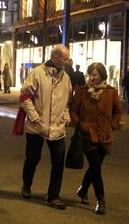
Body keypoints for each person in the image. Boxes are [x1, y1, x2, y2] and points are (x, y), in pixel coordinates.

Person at [20, 45, 72, 210]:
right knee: (32, 158)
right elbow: (25, 96)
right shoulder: (37, 73)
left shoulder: (65, 77)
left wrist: (65, 115)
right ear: (55, 58)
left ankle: (53, 196)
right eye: (65, 58)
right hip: (37, 126)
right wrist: (34, 116)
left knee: (58, 162)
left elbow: (66, 100)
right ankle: (26, 184)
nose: (68, 61)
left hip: (57, 127)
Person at [69, 62, 122, 215]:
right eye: (90, 74)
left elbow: (118, 112)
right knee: (96, 167)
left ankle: (83, 189)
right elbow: (73, 111)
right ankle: (101, 200)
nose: (91, 78)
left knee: (94, 167)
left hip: (105, 135)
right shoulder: (82, 91)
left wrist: (112, 125)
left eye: (95, 75)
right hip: (87, 135)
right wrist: (81, 125)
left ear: (102, 76)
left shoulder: (111, 92)